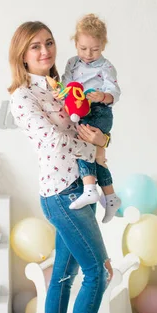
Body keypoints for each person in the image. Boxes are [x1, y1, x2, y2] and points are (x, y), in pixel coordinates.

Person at [9, 21, 116, 313]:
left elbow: (87, 127)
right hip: (61, 193)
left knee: (65, 274)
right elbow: (55, 142)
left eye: (49, 43)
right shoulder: (23, 97)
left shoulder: (63, 86)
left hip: (77, 187)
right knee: (98, 272)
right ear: (22, 56)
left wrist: (104, 138)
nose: (45, 51)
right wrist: (96, 145)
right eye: (35, 47)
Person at [60, 14, 121, 223]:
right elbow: (66, 84)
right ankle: (111, 197)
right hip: (79, 110)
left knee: (84, 147)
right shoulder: (72, 63)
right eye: (83, 48)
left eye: (94, 49)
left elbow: (115, 92)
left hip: (99, 112)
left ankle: (89, 188)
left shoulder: (106, 67)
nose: (88, 54)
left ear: (103, 45)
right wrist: (69, 96)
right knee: (97, 157)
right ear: (75, 43)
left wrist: (102, 96)